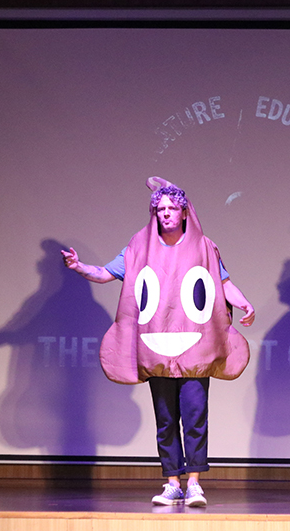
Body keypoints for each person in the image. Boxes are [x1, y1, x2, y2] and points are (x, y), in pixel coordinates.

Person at [61, 178, 255, 507]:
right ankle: (172, 482)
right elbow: (106, 273)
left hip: (195, 349)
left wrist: (244, 303)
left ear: (184, 213)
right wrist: (79, 267)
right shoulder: (139, 248)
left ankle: (194, 484)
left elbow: (222, 283)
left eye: (172, 208)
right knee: (165, 419)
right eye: (160, 208)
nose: (165, 213)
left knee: (195, 416)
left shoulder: (204, 247)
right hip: (156, 347)